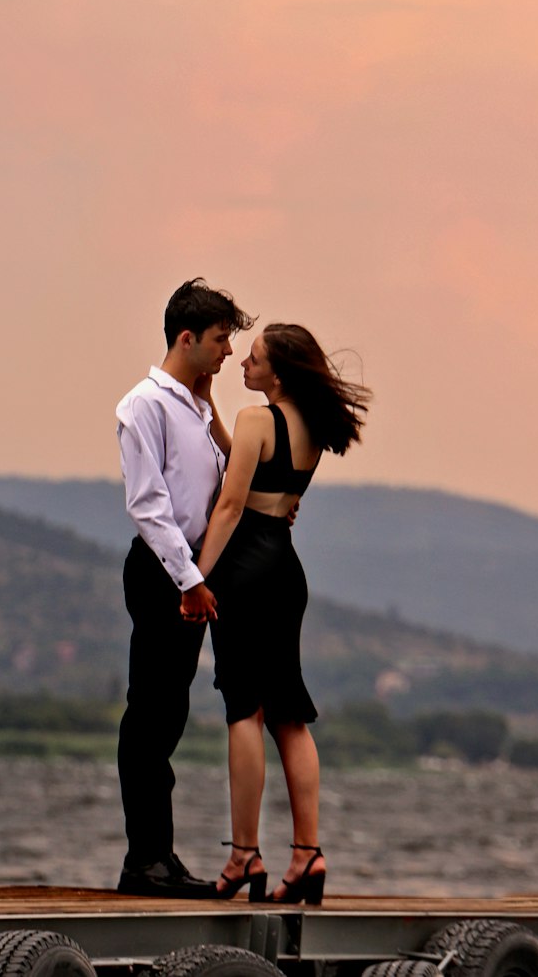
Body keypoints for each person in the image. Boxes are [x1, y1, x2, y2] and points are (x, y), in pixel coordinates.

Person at [182, 322, 371, 906]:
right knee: (289, 713)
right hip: (285, 569)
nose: (243, 363)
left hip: (244, 569)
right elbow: (261, 476)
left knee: (244, 707)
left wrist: (195, 581)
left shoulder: (255, 420)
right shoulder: (310, 426)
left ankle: (244, 855)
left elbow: (231, 505)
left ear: (278, 373)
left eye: (255, 358)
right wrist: (210, 403)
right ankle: (308, 854)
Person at [114, 277, 255, 898]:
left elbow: (224, 479)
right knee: (149, 714)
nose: (228, 352)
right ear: (187, 337)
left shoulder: (196, 406)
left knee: (169, 712)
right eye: (222, 340)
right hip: (163, 573)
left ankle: (158, 857)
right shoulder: (143, 405)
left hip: (189, 575)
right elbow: (148, 506)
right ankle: (143, 861)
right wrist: (191, 579)